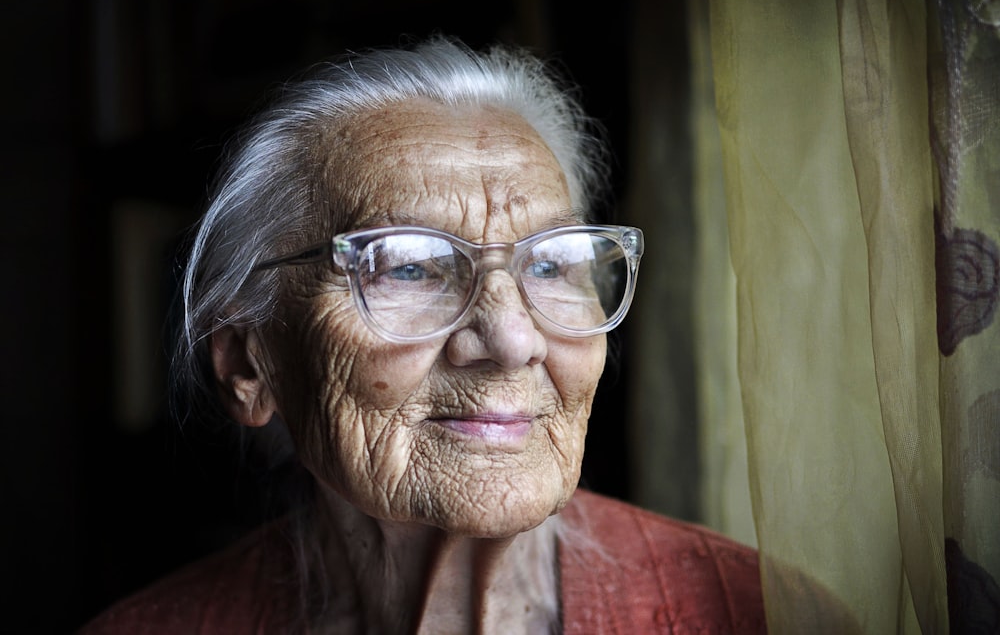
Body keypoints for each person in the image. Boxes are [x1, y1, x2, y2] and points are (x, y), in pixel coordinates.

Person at [79, 35, 766, 633]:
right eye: (407, 268)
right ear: (250, 366)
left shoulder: (756, 615)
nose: (512, 339)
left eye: (553, 264)